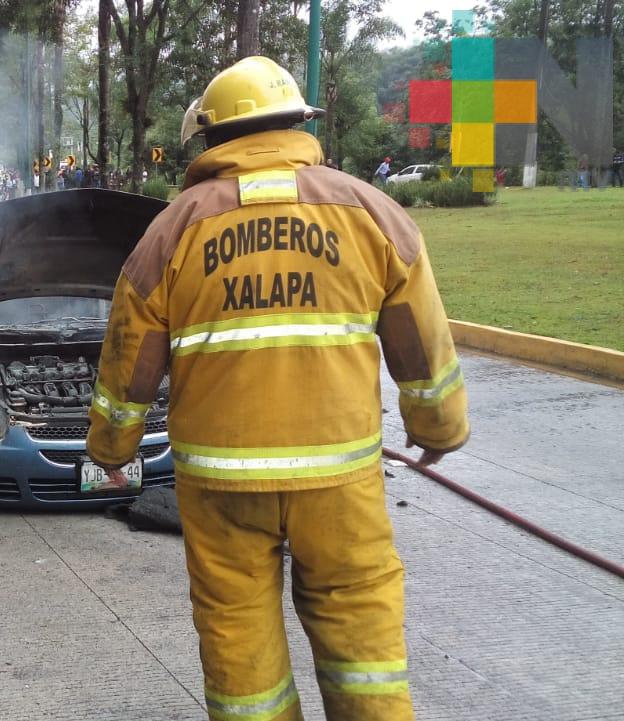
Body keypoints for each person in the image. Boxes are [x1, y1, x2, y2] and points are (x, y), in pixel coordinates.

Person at [87, 56, 469, 721]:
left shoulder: (173, 229)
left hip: (222, 486)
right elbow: (421, 340)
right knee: (363, 639)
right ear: (297, 124)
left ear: (211, 137)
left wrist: (112, 449)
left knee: (239, 641)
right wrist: (439, 429)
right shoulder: (371, 212)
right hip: (339, 482)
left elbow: (129, 358)